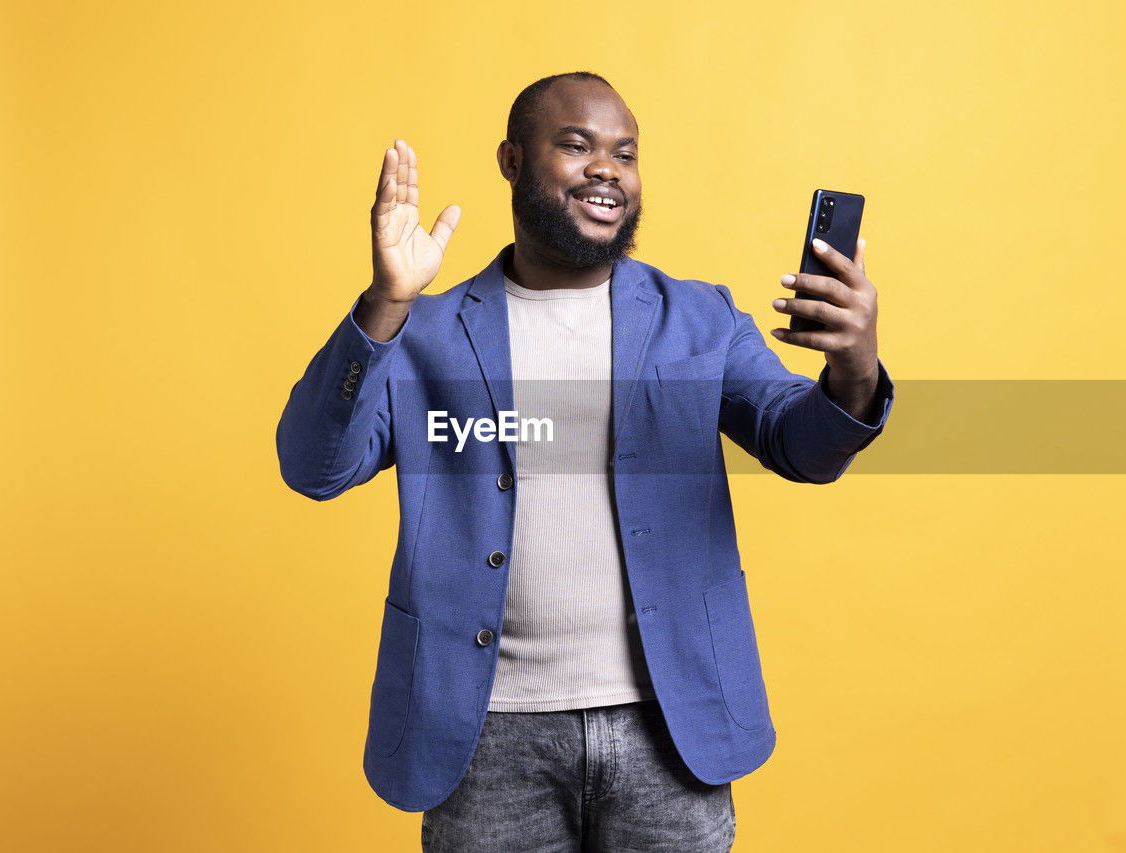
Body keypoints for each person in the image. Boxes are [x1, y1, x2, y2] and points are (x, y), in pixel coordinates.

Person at [276, 71, 893, 852]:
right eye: (576, 145)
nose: (607, 167)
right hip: (484, 736)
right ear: (511, 160)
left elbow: (801, 446)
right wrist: (386, 304)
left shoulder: (699, 318)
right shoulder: (425, 334)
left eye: (625, 153)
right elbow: (313, 465)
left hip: (670, 730)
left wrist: (854, 369)